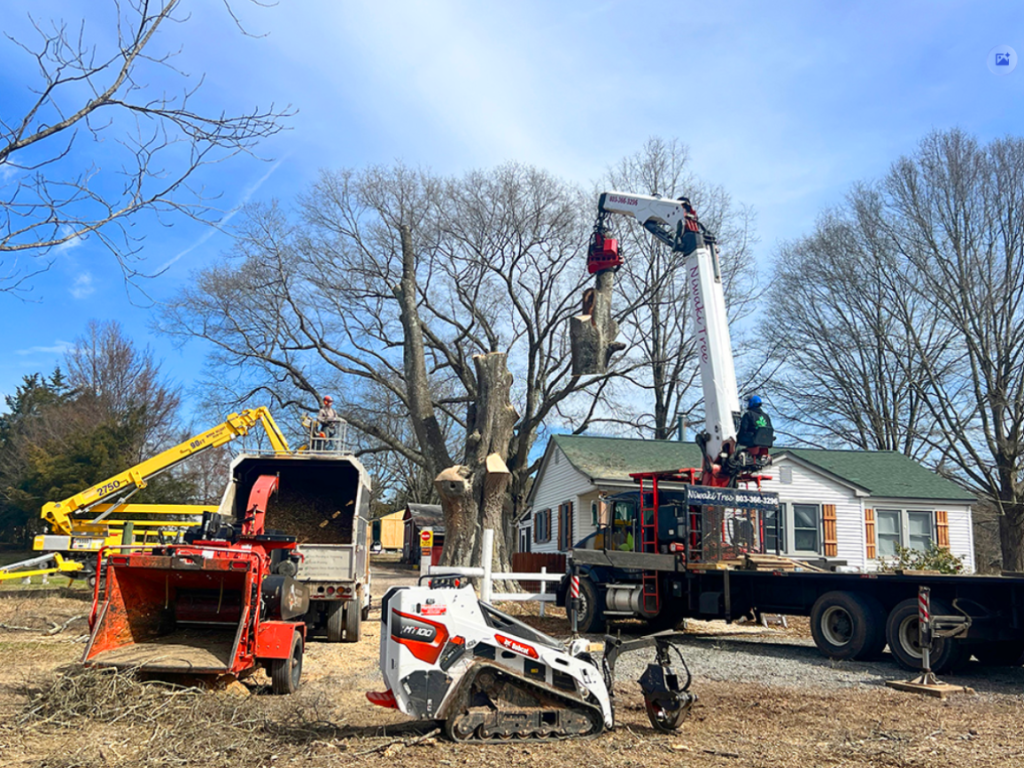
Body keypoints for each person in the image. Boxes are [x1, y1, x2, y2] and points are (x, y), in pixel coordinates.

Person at [735, 395, 774, 463]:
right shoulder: (766, 416)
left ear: (751, 403)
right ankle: (762, 457)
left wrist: (736, 439)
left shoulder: (748, 415)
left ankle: (742, 455)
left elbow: (743, 429)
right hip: (765, 442)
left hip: (752, 441)